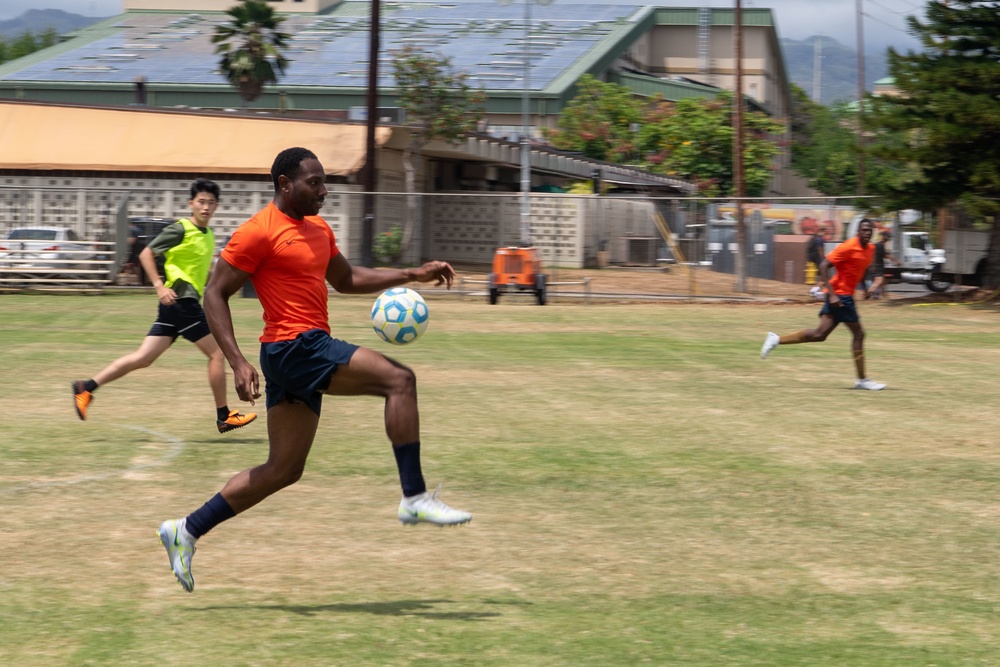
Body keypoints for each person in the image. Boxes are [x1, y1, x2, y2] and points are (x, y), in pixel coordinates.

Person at [156, 147, 471, 593]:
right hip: (296, 346)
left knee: (284, 468)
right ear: (285, 184)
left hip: (295, 352)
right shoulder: (258, 231)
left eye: (325, 183)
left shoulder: (318, 229)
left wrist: (411, 274)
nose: (323, 191)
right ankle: (414, 496)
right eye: (315, 183)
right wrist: (237, 360)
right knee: (400, 381)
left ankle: (186, 530)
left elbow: (346, 279)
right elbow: (214, 294)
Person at [72, 179, 258, 433]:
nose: (205, 207)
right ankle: (224, 416)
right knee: (217, 354)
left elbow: (203, 271)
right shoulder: (180, 229)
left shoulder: (208, 235)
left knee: (144, 358)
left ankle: (86, 388)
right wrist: (159, 286)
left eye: (211, 203)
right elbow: (146, 254)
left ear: (216, 206)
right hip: (181, 302)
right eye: (201, 202)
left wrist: (219, 287)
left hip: (177, 306)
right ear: (191, 203)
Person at [760, 218, 886, 391]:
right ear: (858, 231)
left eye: (869, 230)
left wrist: (863, 288)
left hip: (843, 295)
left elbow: (860, 269)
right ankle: (862, 380)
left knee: (820, 335)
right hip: (840, 296)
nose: (867, 233)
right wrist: (832, 294)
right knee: (859, 334)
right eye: (864, 230)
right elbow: (824, 265)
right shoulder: (848, 246)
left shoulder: (870, 249)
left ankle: (776, 339)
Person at [866, 230, 897, 299]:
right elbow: (885, 256)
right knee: (878, 281)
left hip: (876, 266)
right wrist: (895, 260)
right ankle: (867, 294)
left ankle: (885, 296)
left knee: (883, 282)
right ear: (884, 237)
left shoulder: (877, 244)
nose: (888, 238)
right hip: (878, 266)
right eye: (888, 237)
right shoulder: (880, 245)